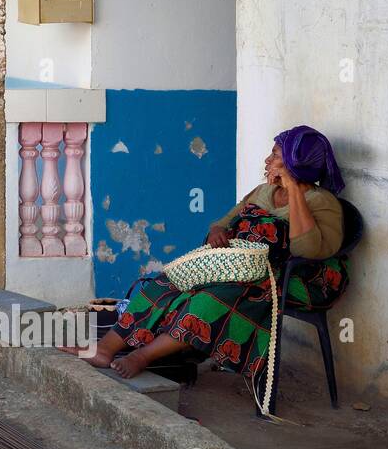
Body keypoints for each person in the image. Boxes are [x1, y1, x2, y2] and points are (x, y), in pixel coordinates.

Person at [71, 126, 349, 382]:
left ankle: (141, 356)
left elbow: (308, 251)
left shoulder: (323, 203)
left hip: (290, 278)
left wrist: (296, 191)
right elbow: (223, 221)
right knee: (163, 283)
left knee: (208, 300)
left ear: (295, 164)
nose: (266, 160)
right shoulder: (263, 191)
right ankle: (104, 349)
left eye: (276, 155)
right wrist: (218, 232)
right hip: (240, 266)